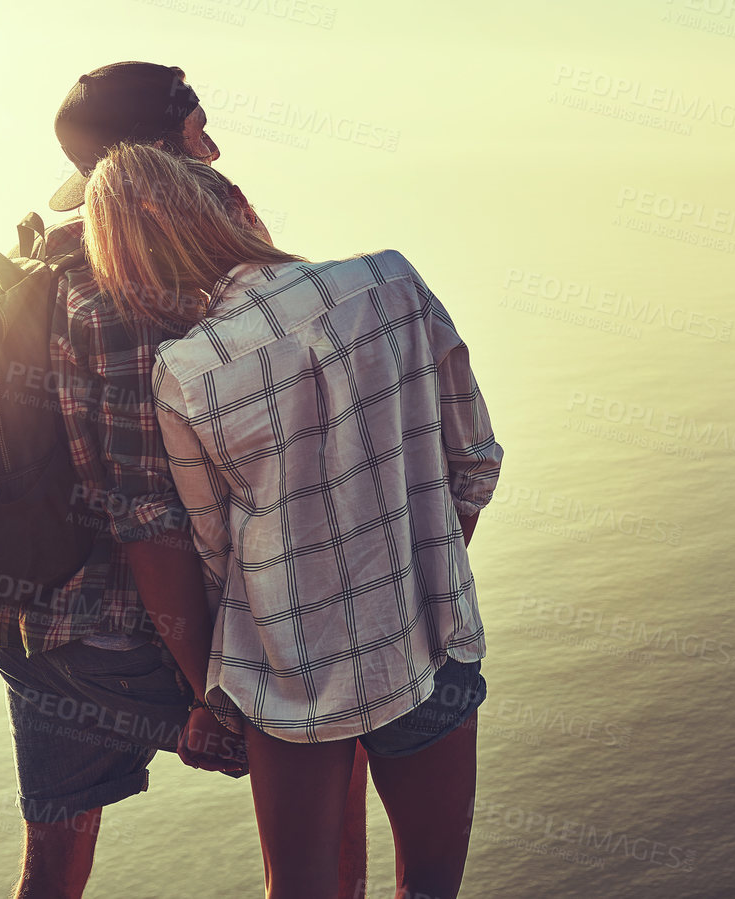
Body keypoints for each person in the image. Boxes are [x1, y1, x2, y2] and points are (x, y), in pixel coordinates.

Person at [78, 142, 503, 899]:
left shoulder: (184, 370)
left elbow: (214, 552)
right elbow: (474, 462)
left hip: (285, 675)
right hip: (430, 642)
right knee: (432, 885)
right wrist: (412, 580)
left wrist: (213, 692)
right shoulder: (392, 281)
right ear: (234, 206)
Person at [0, 62, 255, 899]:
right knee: (328, 739)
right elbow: (148, 518)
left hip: (30, 619)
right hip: (120, 635)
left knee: (52, 874)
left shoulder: (52, 269)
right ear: (163, 160)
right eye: (200, 130)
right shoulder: (133, 299)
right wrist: (210, 694)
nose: (217, 148)